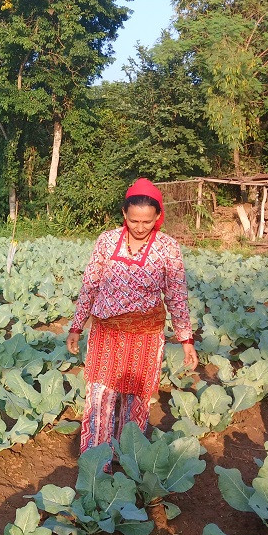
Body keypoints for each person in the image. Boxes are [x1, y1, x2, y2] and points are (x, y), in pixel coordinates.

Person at [66, 177, 197, 455]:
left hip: (145, 338)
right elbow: (90, 284)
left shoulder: (168, 248)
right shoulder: (107, 241)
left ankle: (127, 458)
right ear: (124, 213)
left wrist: (186, 340)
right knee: (100, 396)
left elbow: (177, 296)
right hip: (106, 334)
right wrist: (76, 326)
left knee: (135, 400)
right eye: (134, 220)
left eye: (147, 222)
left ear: (158, 216)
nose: (139, 227)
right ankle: (96, 461)